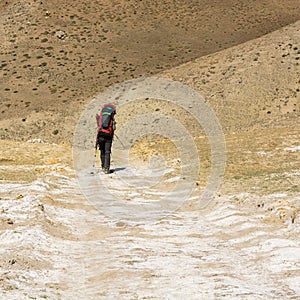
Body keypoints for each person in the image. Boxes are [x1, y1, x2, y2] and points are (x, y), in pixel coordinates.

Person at [96, 104, 116, 174]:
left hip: (100, 135)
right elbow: (113, 127)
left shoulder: (101, 116)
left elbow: (98, 125)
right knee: (107, 152)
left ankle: (102, 166)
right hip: (108, 136)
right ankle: (106, 168)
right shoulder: (111, 118)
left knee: (102, 151)